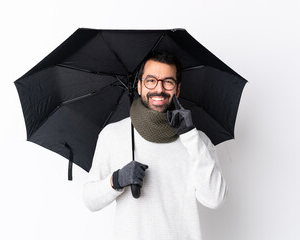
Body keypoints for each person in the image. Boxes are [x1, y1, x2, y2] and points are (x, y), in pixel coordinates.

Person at [83, 50, 228, 240]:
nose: (159, 89)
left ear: (177, 89)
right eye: (151, 80)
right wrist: (117, 180)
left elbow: (215, 199)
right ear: (140, 86)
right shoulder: (113, 134)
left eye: (168, 82)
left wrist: (190, 136)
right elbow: (90, 200)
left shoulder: (197, 140)